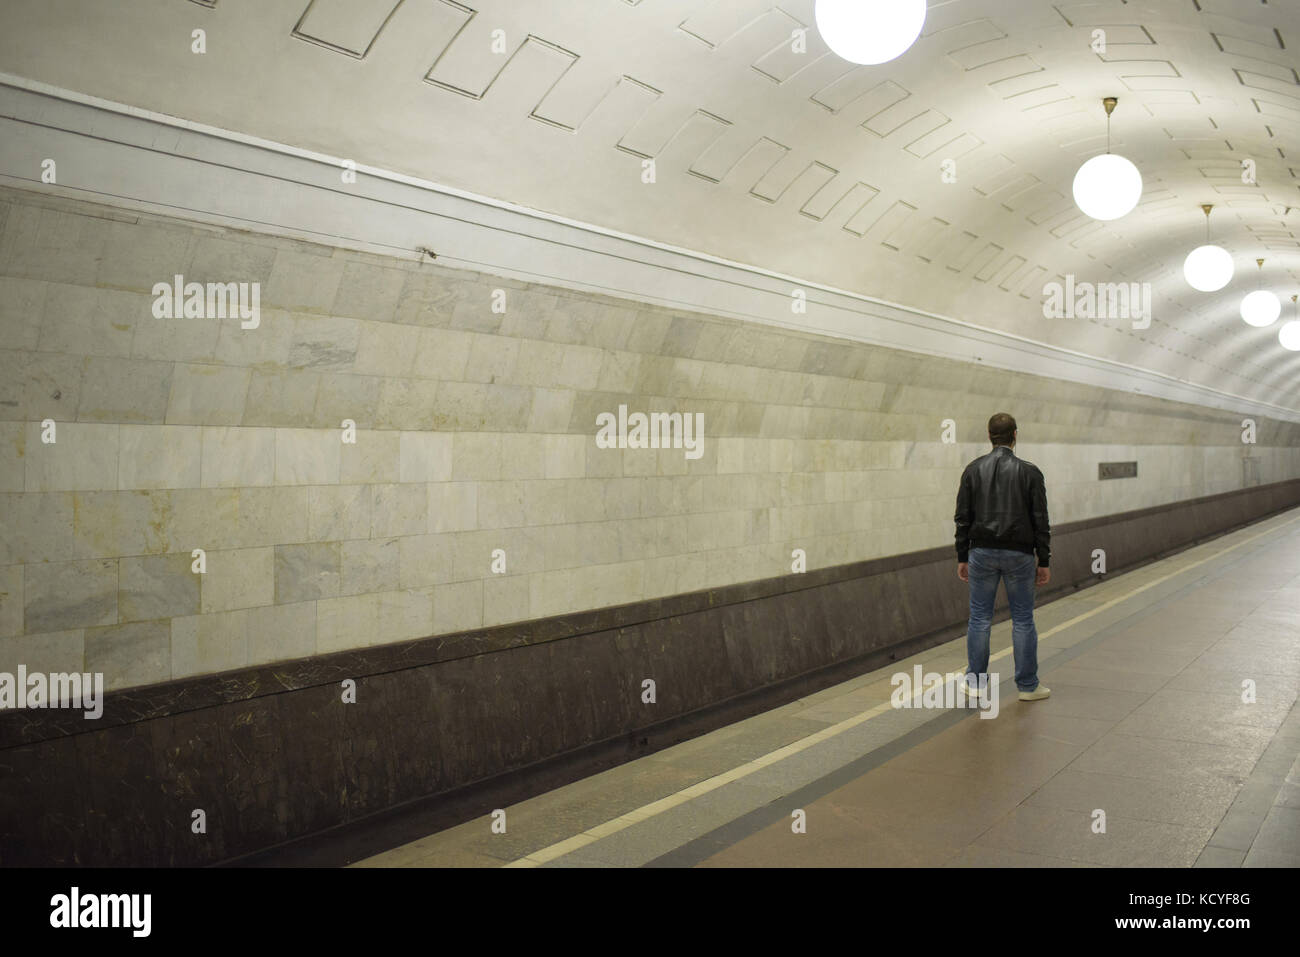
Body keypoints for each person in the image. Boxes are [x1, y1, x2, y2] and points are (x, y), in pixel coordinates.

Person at [954, 413, 1052, 702]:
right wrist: (1043, 559)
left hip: (981, 553)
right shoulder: (1030, 472)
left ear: (989, 436)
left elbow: (962, 518)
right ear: (1015, 435)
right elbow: (1040, 520)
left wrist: (962, 555)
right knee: (1022, 619)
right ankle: (1028, 686)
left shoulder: (973, 470)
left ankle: (975, 683)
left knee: (980, 618)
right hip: (1019, 555)